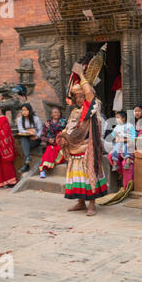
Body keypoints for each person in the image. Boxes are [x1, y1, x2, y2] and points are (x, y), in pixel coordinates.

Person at [57, 46, 108, 216]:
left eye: (82, 96)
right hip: (74, 149)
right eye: (77, 97)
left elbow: (89, 99)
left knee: (88, 176)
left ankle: (92, 204)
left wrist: (81, 75)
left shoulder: (93, 106)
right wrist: (63, 136)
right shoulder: (74, 111)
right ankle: (80, 202)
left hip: (87, 148)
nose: (79, 99)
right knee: (77, 177)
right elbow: (69, 128)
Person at [38, 107, 67, 178]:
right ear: (51, 114)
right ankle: (43, 170)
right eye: (54, 112)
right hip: (52, 144)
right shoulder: (47, 124)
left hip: (61, 144)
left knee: (58, 150)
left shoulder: (64, 122)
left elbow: (68, 133)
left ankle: (46, 167)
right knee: (49, 150)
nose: (57, 113)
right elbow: (42, 136)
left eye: (58, 112)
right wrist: (48, 140)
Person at [16, 103, 43, 173]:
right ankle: (27, 158)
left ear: (29, 110)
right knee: (23, 140)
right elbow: (20, 130)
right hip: (26, 138)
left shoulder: (36, 119)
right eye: (22, 110)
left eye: (25, 110)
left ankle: (26, 165)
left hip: (36, 139)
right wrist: (29, 132)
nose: (24, 112)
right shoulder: (20, 119)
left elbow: (41, 130)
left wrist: (36, 136)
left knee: (24, 145)